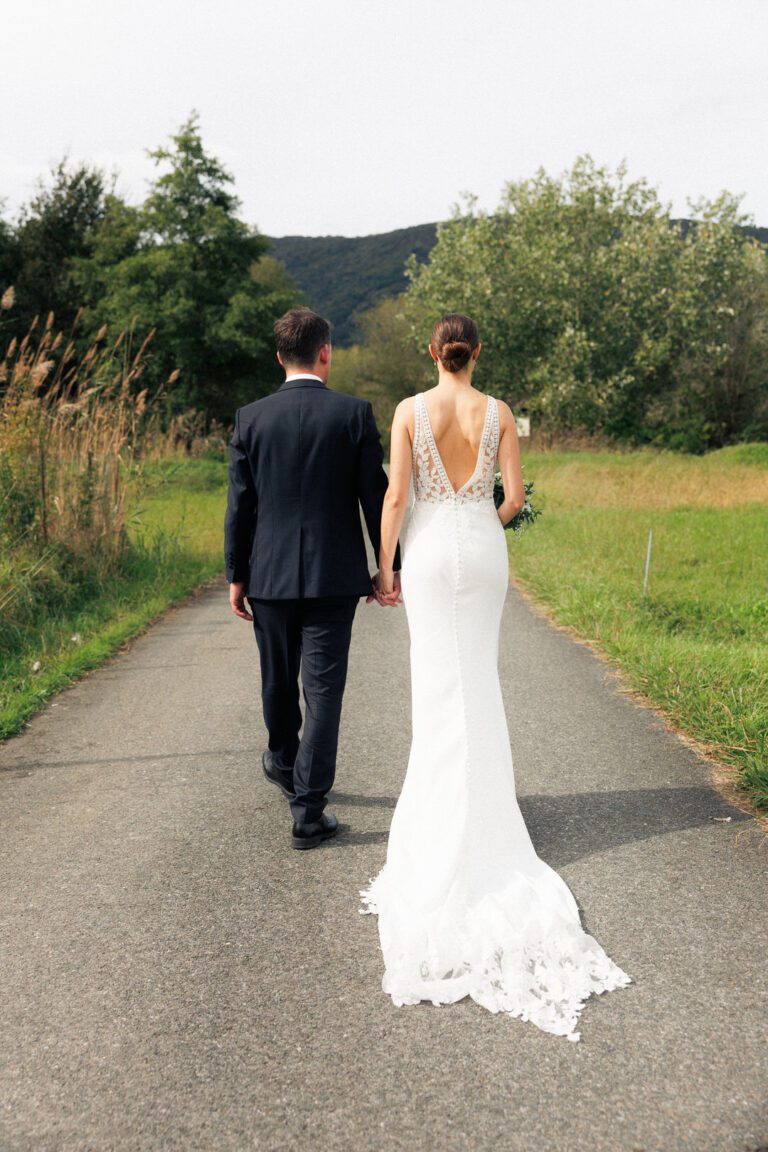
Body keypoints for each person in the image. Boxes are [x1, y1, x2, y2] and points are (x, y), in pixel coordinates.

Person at [361, 313, 631, 1040]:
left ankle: (443, 821)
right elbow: (511, 500)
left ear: (432, 351)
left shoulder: (409, 411)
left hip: (425, 552)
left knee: (434, 688)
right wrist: (481, 517)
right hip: (481, 550)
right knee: (476, 678)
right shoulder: (501, 413)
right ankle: (487, 820)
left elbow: (393, 497)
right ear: (476, 353)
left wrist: (384, 566)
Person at [224, 308, 399, 850]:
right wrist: (388, 568)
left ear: (280, 357)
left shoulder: (250, 418)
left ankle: (281, 761)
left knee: (277, 679)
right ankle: (308, 811)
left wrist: (236, 573)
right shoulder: (353, 414)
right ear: (326, 352)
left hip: (268, 577)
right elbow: (378, 496)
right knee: (323, 692)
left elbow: (241, 505)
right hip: (334, 576)